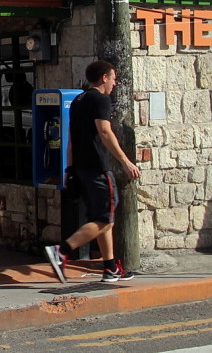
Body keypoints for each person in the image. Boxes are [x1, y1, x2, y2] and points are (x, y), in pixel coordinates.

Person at [44, 60, 141, 283]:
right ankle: (62, 251)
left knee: (102, 217)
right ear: (104, 78)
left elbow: (69, 138)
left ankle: (110, 268)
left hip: (80, 168)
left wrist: (69, 169)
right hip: (98, 168)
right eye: (113, 78)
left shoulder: (78, 100)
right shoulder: (100, 99)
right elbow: (105, 132)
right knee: (105, 219)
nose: (115, 83)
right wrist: (126, 162)